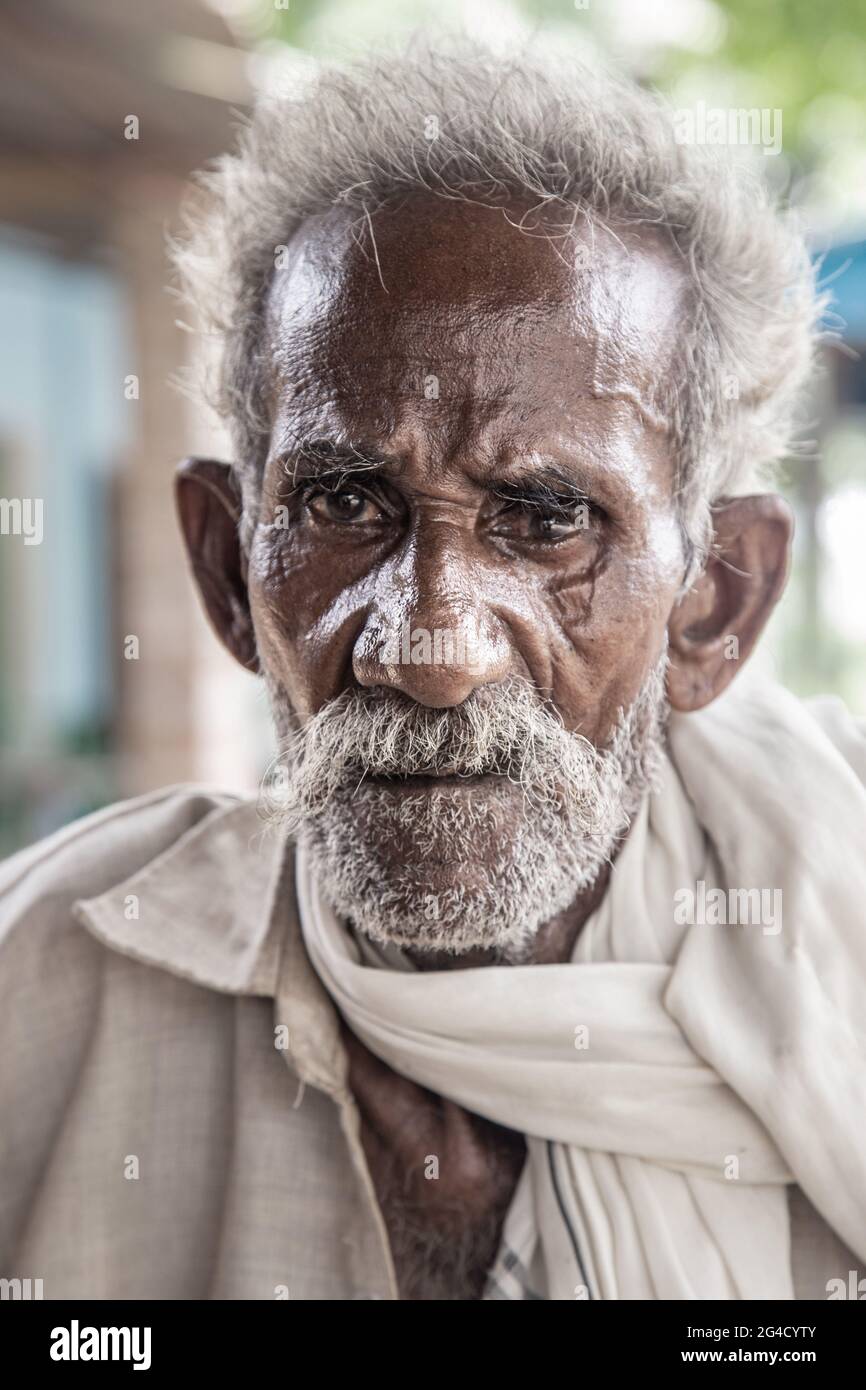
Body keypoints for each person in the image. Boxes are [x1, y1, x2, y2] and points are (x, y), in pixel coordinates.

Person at [2, 38, 864, 1301]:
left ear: (712, 605)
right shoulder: (37, 996)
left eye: (547, 518)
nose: (432, 649)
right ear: (225, 569)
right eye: (347, 502)